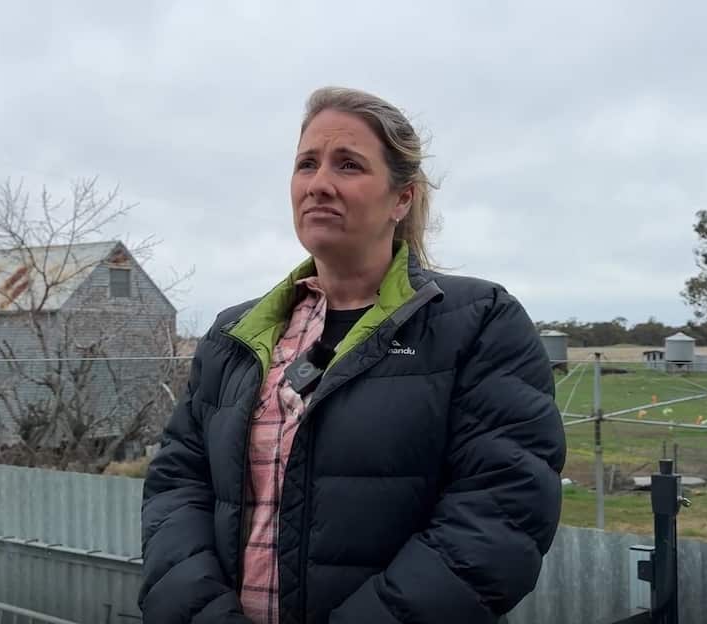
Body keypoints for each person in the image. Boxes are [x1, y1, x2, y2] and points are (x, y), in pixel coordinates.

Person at [138, 86, 567, 623]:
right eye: (306, 164)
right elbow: (177, 485)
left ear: (402, 197)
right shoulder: (235, 335)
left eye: (348, 165)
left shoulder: (478, 322)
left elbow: (499, 516)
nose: (319, 184)